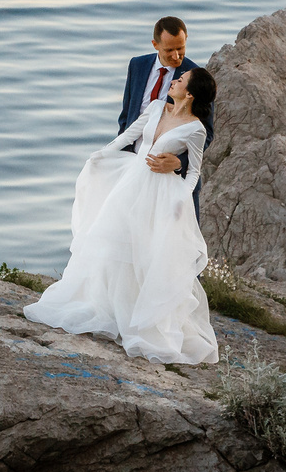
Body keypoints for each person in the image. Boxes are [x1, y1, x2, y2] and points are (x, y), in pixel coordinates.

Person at [25, 65, 221, 366]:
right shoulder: (157, 107)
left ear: (190, 93)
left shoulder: (196, 128)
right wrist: (101, 155)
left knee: (145, 251)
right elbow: (129, 135)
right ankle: (109, 308)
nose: (175, 80)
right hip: (130, 180)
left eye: (180, 80)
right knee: (112, 240)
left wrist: (181, 200)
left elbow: (194, 171)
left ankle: (137, 317)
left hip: (161, 192)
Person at [120, 16, 208, 183]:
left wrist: (179, 162)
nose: (176, 56)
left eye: (180, 48)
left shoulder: (195, 76)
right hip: (132, 165)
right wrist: (121, 156)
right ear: (155, 45)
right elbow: (126, 117)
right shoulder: (137, 65)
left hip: (170, 177)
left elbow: (206, 132)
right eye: (169, 50)